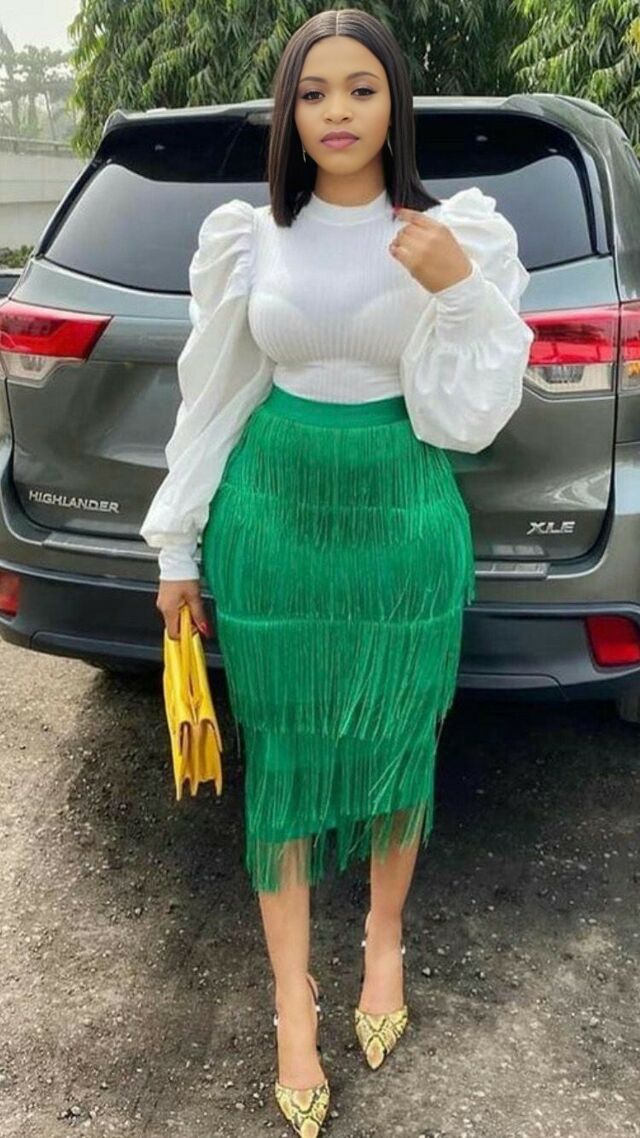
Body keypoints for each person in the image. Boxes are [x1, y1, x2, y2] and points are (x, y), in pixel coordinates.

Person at [140, 8, 534, 1136]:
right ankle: (291, 1003)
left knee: (398, 741)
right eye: (313, 93)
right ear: (288, 113)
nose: (338, 112)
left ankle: (383, 942)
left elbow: (474, 415)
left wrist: (461, 288)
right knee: (284, 763)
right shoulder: (248, 238)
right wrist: (177, 545)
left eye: (362, 88)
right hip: (274, 523)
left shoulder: (456, 233)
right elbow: (214, 396)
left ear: (394, 103)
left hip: (404, 520)